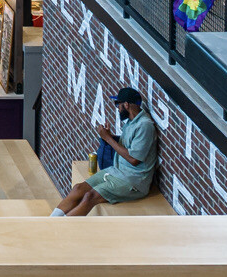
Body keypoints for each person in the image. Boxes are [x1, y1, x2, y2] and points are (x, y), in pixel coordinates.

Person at [55, 87, 160, 216]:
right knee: (78, 189)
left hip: (133, 181)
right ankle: (50, 222)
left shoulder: (145, 126)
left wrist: (107, 138)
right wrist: (110, 136)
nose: (117, 108)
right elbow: (127, 146)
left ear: (126, 105)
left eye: (118, 104)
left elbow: (134, 159)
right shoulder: (131, 122)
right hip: (117, 171)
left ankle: (59, 228)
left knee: (90, 197)